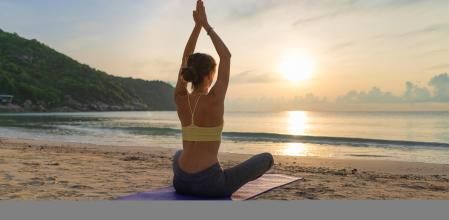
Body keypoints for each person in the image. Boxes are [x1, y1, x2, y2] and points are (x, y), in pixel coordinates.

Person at [172, 0, 274, 198]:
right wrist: (206, 26)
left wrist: (196, 28)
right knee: (267, 159)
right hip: (210, 185)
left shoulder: (180, 98)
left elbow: (185, 57)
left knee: (178, 155)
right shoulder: (215, 98)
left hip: (181, 181)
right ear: (210, 74)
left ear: (189, 73)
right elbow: (225, 56)